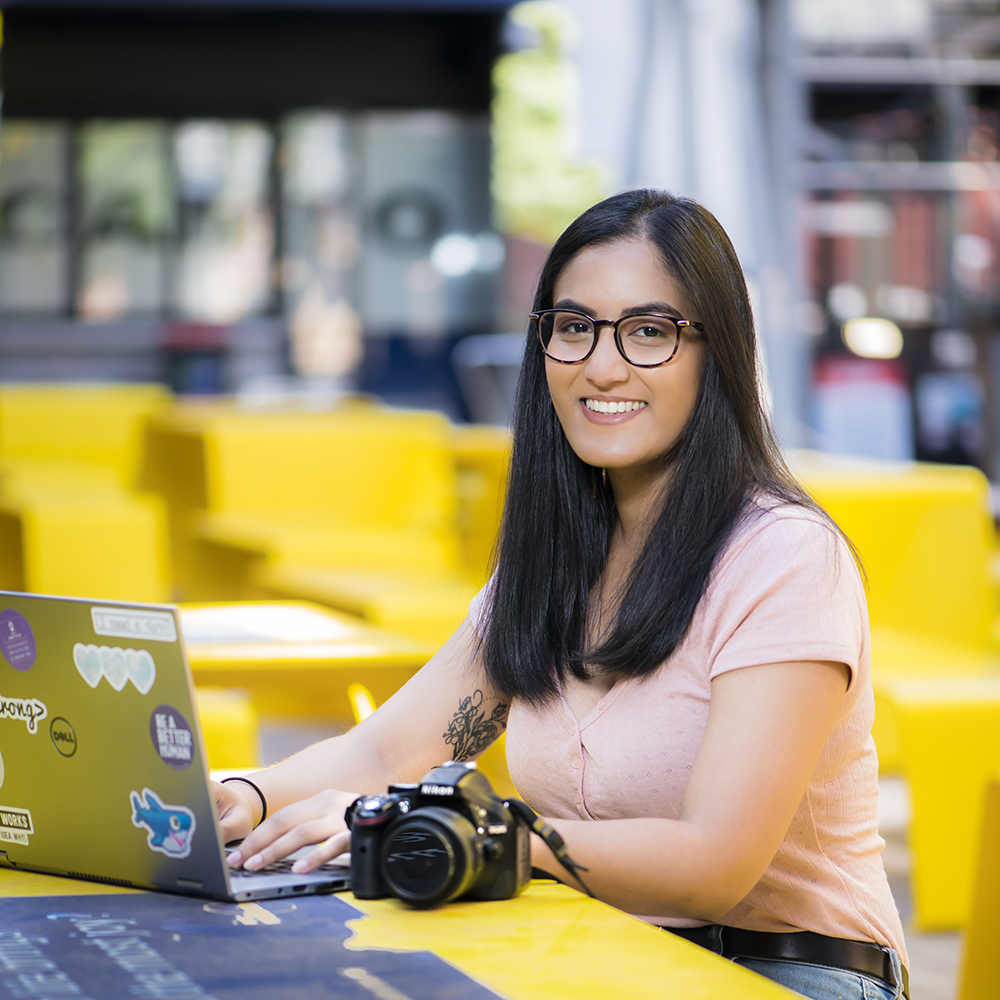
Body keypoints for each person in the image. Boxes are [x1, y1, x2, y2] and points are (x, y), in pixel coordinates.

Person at [216, 189, 908, 1000]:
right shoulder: (551, 564)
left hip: (789, 969)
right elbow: (384, 754)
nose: (602, 366)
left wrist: (483, 834)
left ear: (716, 351)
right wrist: (242, 795)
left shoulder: (785, 558)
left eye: (649, 331)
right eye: (575, 327)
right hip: (607, 959)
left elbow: (713, 863)